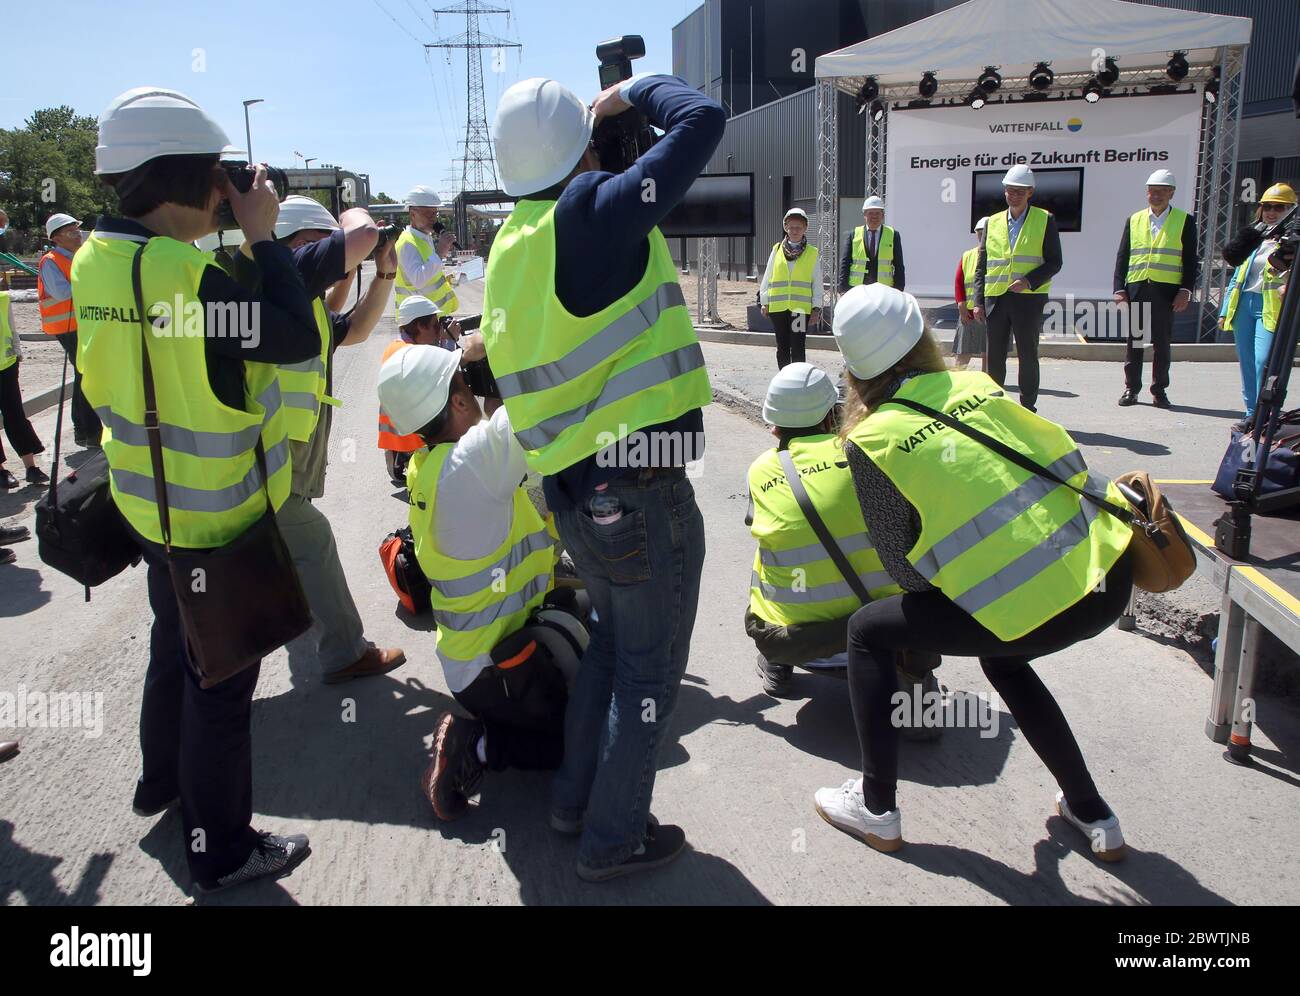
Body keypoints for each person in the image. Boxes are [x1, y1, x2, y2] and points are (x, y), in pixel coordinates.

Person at [73, 85, 321, 893]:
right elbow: (291, 334)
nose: (227, 189)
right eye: (217, 176)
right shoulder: (191, 279)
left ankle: (162, 784)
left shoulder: (92, 258)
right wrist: (263, 235)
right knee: (221, 686)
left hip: (145, 506)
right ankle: (220, 849)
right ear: (182, 179)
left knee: (171, 648)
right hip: (213, 517)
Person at [484, 73, 722, 881]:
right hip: (639, 489)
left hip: (576, 493)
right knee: (648, 672)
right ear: (578, 146)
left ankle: (573, 802)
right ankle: (612, 839)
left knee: (616, 652)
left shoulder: (513, 242)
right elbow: (703, 117)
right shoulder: (587, 217)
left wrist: (601, 129)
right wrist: (637, 90)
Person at [817, 283, 1134, 859]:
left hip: (1032, 605)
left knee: (867, 631)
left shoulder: (874, 438)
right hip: (1106, 572)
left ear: (853, 369)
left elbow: (907, 574)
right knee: (1006, 658)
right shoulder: (976, 384)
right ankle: (1093, 814)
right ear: (921, 338)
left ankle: (877, 807)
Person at [378, 342, 585, 820]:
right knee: (588, 739)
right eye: (466, 383)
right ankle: (479, 746)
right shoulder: (471, 465)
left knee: (587, 613)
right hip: (498, 670)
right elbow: (546, 401)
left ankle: (507, 719)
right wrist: (498, 346)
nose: (474, 388)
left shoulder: (429, 466)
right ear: (456, 401)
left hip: (476, 658)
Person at [232, 194, 407, 685]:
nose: (330, 254)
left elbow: (351, 332)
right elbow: (362, 236)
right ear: (293, 243)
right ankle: (344, 651)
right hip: (266, 455)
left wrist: (384, 276)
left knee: (284, 548)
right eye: (319, 243)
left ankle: (285, 618)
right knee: (313, 542)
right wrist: (355, 214)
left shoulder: (297, 298)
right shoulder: (275, 274)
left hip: (286, 451)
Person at [745, 362, 942, 728]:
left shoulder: (760, 471)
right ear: (832, 415)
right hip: (887, 632)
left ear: (773, 426)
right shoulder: (867, 451)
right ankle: (915, 685)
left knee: (768, 550)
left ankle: (778, 665)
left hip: (795, 639)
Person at [972, 165, 1062, 413]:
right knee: (995, 356)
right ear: (1004, 192)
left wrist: (1029, 281)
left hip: (1028, 299)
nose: (1014, 195)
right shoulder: (992, 222)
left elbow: (1055, 262)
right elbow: (982, 266)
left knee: (1027, 353)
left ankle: (1027, 406)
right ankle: (995, 403)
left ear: (1030, 192)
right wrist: (978, 301)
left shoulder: (1045, 219)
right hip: (996, 298)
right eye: (1010, 190)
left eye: (1020, 191)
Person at [1115, 170, 1199, 408]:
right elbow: (1122, 257)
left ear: (1171, 193)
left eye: (1162, 191)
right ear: (1146, 192)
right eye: (1152, 190)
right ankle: (1131, 389)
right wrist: (1119, 289)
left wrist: (1186, 290)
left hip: (1166, 291)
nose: (1156, 195)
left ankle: (1159, 390)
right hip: (1138, 288)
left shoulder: (1184, 221)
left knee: (1162, 343)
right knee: (1136, 342)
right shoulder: (1135, 219)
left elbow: (1191, 261)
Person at [1220, 183, 1295, 429]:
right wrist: (1223, 311)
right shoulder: (1254, 235)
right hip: (1244, 305)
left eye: (1279, 207)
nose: (1271, 212)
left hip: (1272, 307)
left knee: (1264, 360)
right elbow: (1237, 276)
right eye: (1267, 207)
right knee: (1247, 360)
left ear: (1291, 209)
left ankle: (1267, 412)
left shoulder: (1291, 240)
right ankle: (1251, 413)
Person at [38, 213, 102, 448]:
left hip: (82, 324)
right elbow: (62, 293)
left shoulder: (78, 256)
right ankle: (89, 430)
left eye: (77, 229)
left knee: (84, 374)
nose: (77, 234)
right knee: (86, 374)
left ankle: (84, 430)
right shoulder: (51, 260)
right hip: (67, 327)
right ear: (56, 238)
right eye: (71, 230)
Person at [378, 295, 448, 486]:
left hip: (396, 431)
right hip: (412, 434)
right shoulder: (411, 353)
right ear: (420, 326)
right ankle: (414, 457)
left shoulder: (395, 346)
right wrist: (449, 343)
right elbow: (445, 377)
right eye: (435, 325)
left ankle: (400, 456)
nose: (438, 330)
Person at [760, 208, 824, 368]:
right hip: (778, 309)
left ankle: (797, 379)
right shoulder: (776, 250)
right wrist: (764, 301)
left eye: (799, 227)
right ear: (786, 227)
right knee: (782, 346)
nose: (795, 231)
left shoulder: (812, 253)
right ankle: (784, 379)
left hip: (799, 309)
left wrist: (816, 308)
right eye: (791, 227)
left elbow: (817, 282)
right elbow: (768, 277)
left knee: (797, 345)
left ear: (805, 229)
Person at [0, 289, 49, 489]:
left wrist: (18, 351)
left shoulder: (2, 298)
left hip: (6, 364)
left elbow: (11, 327)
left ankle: (31, 467)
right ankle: (1, 471)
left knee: (16, 416)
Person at [394, 185, 458, 320]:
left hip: (431, 318)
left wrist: (450, 279)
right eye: (428, 214)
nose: (433, 218)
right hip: (418, 323)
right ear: (412, 214)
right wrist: (440, 253)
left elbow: (429, 277)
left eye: (435, 213)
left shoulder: (424, 238)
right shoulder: (407, 243)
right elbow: (418, 280)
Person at [839, 195, 905, 292]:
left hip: (884, 291)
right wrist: (843, 289)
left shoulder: (893, 235)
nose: (874, 216)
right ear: (864, 215)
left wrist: (898, 290)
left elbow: (899, 266)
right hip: (857, 290)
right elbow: (845, 263)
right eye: (870, 213)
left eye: (877, 213)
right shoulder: (853, 235)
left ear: (882, 215)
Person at [952, 217, 989, 370]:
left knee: (989, 350)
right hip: (968, 312)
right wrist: (960, 303)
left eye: (985, 232)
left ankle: (988, 378)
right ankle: (958, 380)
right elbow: (959, 281)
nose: (982, 236)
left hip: (992, 311)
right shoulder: (968, 255)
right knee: (963, 349)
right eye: (979, 233)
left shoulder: (1000, 254)